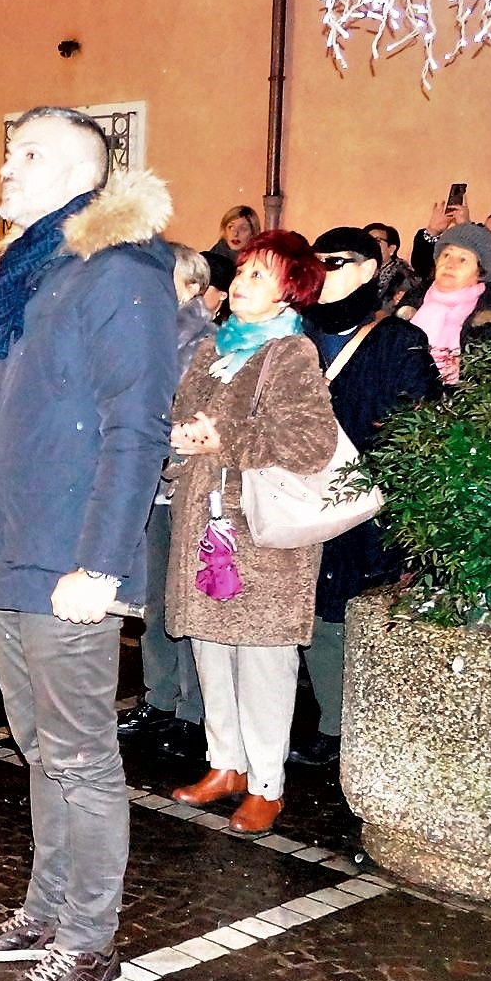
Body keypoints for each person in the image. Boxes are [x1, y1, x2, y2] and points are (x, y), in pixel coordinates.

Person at [0, 106, 176, 981]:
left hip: (69, 556)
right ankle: (46, 911)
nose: (8, 167)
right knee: (40, 747)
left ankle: (89, 938)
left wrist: (102, 565)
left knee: (80, 755)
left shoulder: (120, 270)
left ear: (84, 173)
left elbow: (136, 427)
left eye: (29, 154)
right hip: (9, 543)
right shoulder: (27, 270)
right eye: (8, 152)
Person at [165, 230, 340, 837]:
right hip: (204, 523)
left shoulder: (291, 354)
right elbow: (181, 419)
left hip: (263, 537)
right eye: (241, 271)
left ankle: (267, 783)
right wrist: (180, 441)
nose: (241, 282)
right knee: (211, 649)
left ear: (290, 290)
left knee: (264, 658)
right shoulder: (212, 349)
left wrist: (225, 440)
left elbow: (311, 443)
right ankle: (226, 764)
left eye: (259, 275)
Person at [292, 227, 441, 768]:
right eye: (315, 262)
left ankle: (346, 731)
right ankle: (331, 724)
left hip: (365, 503)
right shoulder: (297, 333)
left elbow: (416, 429)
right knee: (312, 611)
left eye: (334, 262)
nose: (321, 272)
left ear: (368, 269)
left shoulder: (398, 341)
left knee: (343, 612)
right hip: (301, 496)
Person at [121, 241, 212, 755]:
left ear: (194, 287)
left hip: (184, 485)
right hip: (148, 486)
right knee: (155, 602)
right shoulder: (144, 333)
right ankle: (159, 697)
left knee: (185, 603)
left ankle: (193, 711)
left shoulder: (204, 343)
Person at [401, 221, 491, 386]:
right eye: (446, 255)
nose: (450, 264)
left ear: (480, 272)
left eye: (463, 259)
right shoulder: (409, 306)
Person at [201, 204, 259, 316]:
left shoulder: (257, 263)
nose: (235, 234)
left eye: (243, 229)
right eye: (231, 227)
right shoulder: (210, 261)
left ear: (253, 233)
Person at [365, 222, 420, 312]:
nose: (370, 246)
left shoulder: (404, 276)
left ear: (391, 248)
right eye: (367, 242)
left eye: (377, 241)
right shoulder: (361, 271)